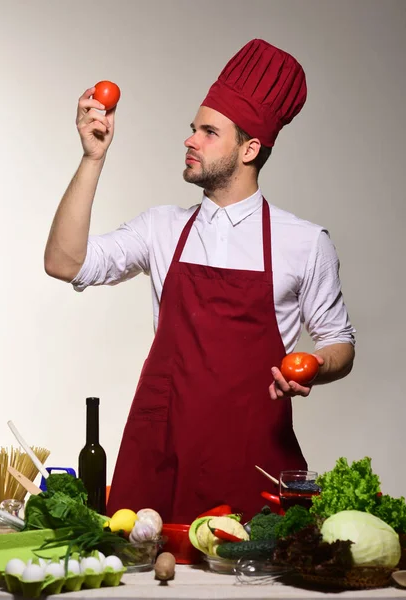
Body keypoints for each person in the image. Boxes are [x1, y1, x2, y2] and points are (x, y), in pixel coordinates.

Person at [45, 39, 355, 522]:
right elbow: (65, 262)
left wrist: (315, 364)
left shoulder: (305, 241)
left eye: (209, 132)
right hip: (162, 456)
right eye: (193, 129)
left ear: (250, 148)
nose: (190, 140)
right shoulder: (161, 227)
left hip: (253, 463)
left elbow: (340, 342)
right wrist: (92, 159)